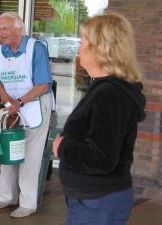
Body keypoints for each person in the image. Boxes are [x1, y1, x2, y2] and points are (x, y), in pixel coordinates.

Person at [53, 12, 146, 225]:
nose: (79, 47)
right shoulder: (109, 89)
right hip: (95, 199)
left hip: (96, 202)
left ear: (100, 48)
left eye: (84, 40)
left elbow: (101, 158)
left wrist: (63, 147)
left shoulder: (109, 95)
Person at [0, 12, 53, 218]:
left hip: (35, 104)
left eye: (4, 28)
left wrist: (20, 102)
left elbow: (44, 84)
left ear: (18, 30)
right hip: (12, 106)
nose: (0, 33)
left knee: (31, 155)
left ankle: (28, 202)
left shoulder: (35, 49)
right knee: (8, 150)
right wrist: (7, 100)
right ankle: (7, 195)